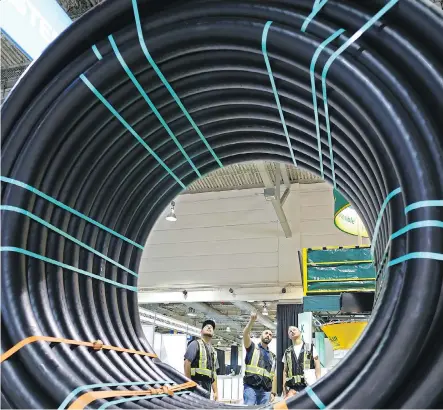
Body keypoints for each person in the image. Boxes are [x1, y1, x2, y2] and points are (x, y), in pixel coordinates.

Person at [243, 311, 277, 405]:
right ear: (261, 335)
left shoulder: (272, 356)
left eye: (270, 335)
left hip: (266, 391)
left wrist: (273, 392)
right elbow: (245, 335)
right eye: (266, 333)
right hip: (251, 388)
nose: (268, 335)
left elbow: (273, 376)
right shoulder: (252, 348)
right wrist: (251, 321)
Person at [184, 319, 219, 400]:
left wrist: (216, 392)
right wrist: (189, 383)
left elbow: (213, 374)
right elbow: (187, 363)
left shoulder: (213, 352)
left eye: (211, 328)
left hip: (207, 387)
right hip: (195, 385)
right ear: (201, 331)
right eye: (207, 326)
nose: (209, 327)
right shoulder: (195, 344)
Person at [282, 325, 321, 397]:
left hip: (308, 386)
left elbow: (317, 364)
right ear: (289, 336)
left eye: (294, 329)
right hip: (292, 388)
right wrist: (284, 389)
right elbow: (285, 371)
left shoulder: (310, 347)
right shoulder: (287, 352)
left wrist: (318, 380)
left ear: (300, 332)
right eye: (290, 331)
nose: (292, 331)